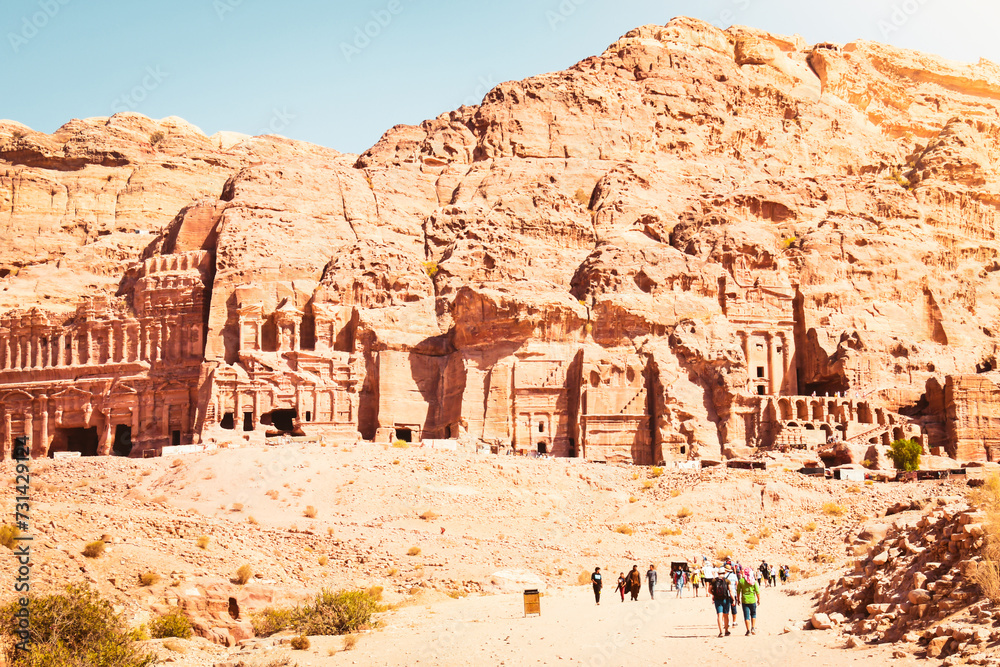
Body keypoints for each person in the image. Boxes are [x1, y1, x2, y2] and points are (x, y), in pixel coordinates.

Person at [737, 568, 762, 635]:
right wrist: (758, 600)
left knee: (746, 615)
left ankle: (748, 630)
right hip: (752, 600)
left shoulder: (741, 581)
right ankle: (753, 628)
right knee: (753, 614)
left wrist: (738, 599)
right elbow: (757, 591)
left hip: (744, 600)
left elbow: (738, 591)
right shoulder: (753, 581)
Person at [710, 566, 733, 637]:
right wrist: (734, 599)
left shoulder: (714, 580)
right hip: (726, 599)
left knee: (719, 615)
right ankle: (726, 630)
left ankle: (721, 632)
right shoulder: (727, 580)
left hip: (717, 599)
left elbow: (709, 590)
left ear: (718, 573)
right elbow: (731, 591)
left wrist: (714, 594)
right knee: (726, 615)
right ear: (724, 572)